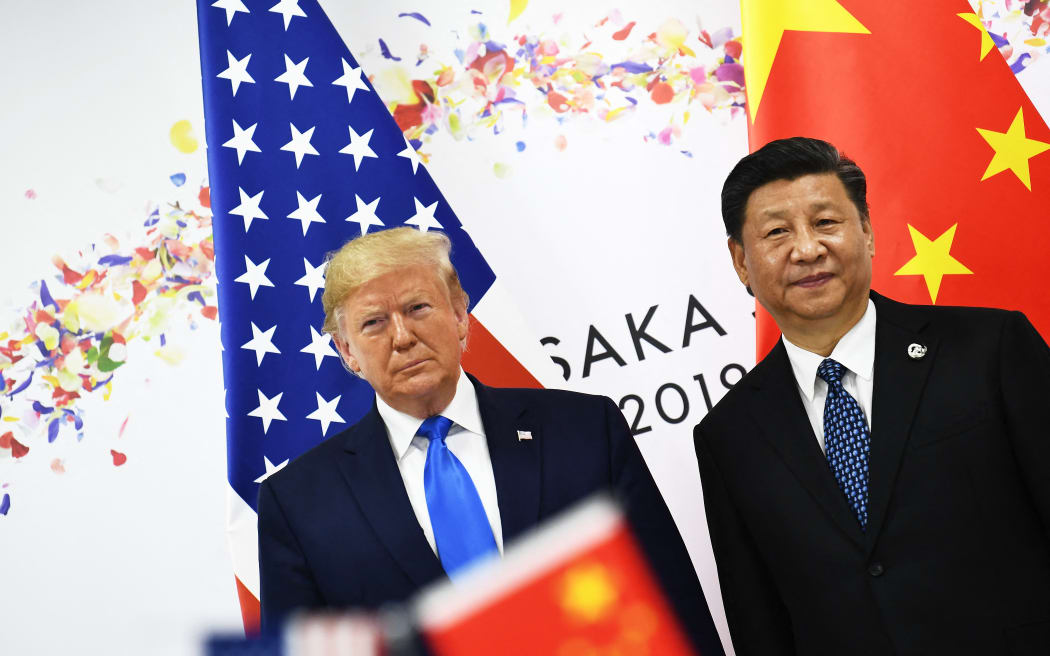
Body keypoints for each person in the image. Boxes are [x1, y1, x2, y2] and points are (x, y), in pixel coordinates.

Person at [258, 227, 723, 654]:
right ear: (346, 352)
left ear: (460, 315)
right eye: (373, 323)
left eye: (418, 308)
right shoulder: (299, 504)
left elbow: (672, 601)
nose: (402, 337)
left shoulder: (583, 429)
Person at [694, 137, 1050, 655]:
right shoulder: (729, 436)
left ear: (866, 231)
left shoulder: (989, 350)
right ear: (741, 262)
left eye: (826, 223)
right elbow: (759, 621)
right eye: (777, 232)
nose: (808, 249)